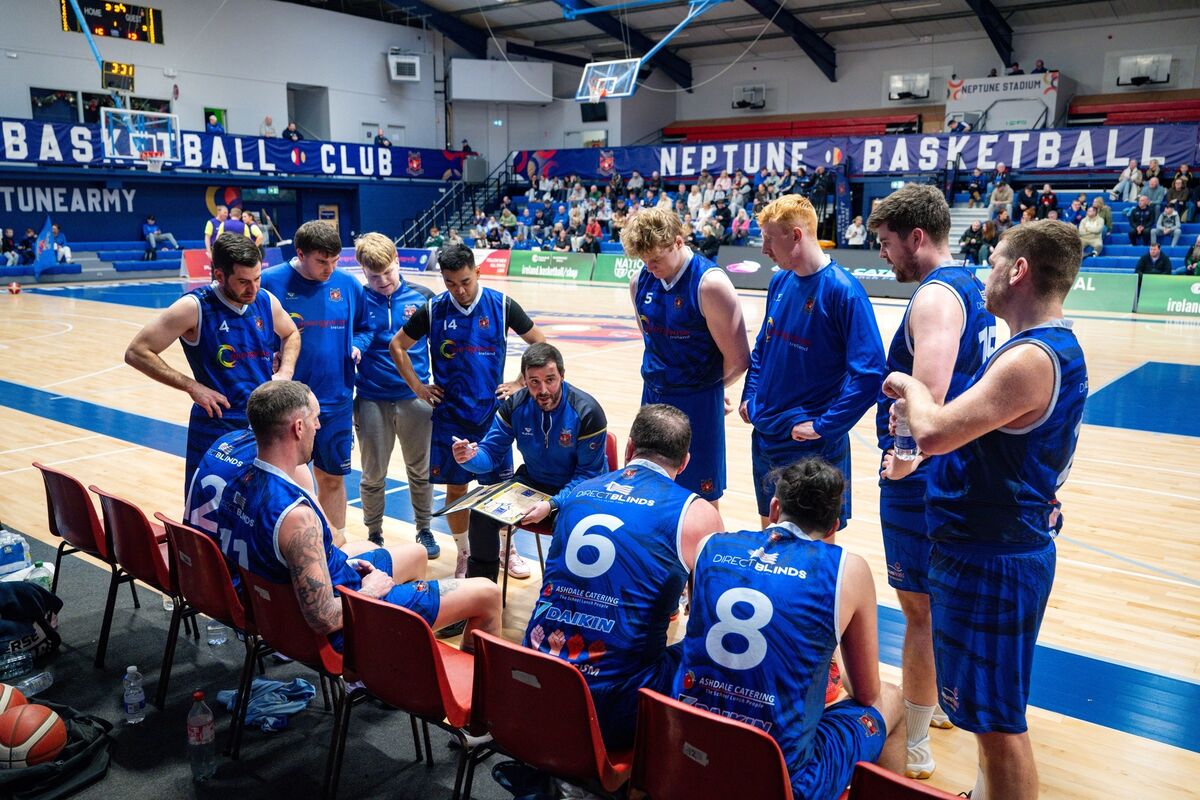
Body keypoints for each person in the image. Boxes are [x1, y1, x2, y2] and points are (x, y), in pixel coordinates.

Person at [883, 219, 1088, 800]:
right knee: (986, 714)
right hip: (990, 546)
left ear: (1019, 271)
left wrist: (913, 388)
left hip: (995, 558)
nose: (986, 271)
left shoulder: (1031, 359)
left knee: (1000, 726)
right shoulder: (1038, 349)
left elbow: (934, 434)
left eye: (995, 260)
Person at [673, 459, 906, 797]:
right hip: (778, 780)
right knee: (892, 699)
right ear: (833, 527)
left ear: (774, 507)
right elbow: (866, 694)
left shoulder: (711, 544)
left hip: (689, 750)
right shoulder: (848, 568)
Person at [868, 184, 997, 781]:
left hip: (926, 478)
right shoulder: (971, 282)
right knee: (938, 605)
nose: (884, 255)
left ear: (916, 237)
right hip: (959, 470)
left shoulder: (935, 297)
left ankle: (914, 741)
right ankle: (941, 704)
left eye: (887, 243)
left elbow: (930, 397)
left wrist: (901, 459)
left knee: (918, 613)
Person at [218, 380, 501, 652]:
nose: (319, 426)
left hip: (279, 614)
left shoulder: (237, 482)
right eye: (315, 419)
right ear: (298, 427)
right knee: (487, 593)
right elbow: (324, 618)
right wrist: (371, 591)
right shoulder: (296, 517)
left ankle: (404, 659)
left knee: (416, 553)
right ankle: (452, 688)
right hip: (345, 621)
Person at [523, 404, 724, 748]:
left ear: (629, 448)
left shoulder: (577, 495)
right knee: (712, 657)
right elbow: (708, 622)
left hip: (533, 683)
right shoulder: (698, 514)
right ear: (685, 461)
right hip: (613, 708)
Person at [388, 244, 545, 580]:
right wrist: (418, 387)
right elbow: (397, 345)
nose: (459, 289)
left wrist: (519, 382)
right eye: (450, 283)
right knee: (457, 490)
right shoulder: (432, 310)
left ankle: (506, 549)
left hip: (493, 418)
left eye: (464, 281)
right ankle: (464, 553)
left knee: (500, 491)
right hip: (450, 416)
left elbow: (541, 345)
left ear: (477, 273)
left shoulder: (501, 305)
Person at [742, 194, 885, 530]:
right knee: (771, 529)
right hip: (766, 434)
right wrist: (751, 394)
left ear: (795, 235)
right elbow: (763, 346)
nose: (764, 250)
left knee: (815, 540)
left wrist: (825, 426)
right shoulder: (779, 281)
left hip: (810, 445)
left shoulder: (843, 291)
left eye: (768, 239)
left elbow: (870, 374)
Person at [124, 234, 299, 492]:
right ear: (219, 274)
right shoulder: (193, 307)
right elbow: (137, 352)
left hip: (263, 425)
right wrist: (192, 386)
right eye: (243, 282)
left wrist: (285, 372)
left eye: (257, 279)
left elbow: (292, 333)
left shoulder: (265, 301)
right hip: (216, 424)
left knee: (259, 508)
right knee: (207, 509)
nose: (252, 289)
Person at [621, 207, 750, 506]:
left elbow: (739, 358)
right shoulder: (639, 282)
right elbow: (651, 341)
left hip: (696, 401)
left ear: (678, 242)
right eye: (644, 260)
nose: (649, 266)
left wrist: (712, 390)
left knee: (700, 495)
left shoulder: (710, 284)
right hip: (652, 395)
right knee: (647, 487)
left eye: (655, 258)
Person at [452, 343, 607, 585]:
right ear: (524, 380)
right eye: (534, 382)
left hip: (578, 490)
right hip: (533, 482)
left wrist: (552, 504)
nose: (543, 389)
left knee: (569, 524)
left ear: (562, 376)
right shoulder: (515, 406)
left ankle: (562, 598)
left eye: (550, 380)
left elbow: (588, 476)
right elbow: (490, 456)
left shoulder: (587, 411)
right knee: (481, 515)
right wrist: (470, 459)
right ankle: (481, 595)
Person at [261, 221, 366, 546]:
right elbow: (255, 333)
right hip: (285, 406)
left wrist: (358, 343)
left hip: (336, 401)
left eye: (335, 261)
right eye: (322, 262)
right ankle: (284, 544)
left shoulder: (348, 285)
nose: (330, 269)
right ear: (300, 253)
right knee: (285, 478)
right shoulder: (270, 282)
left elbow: (364, 327)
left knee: (332, 479)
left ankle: (337, 547)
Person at [350, 233, 438, 555]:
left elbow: (441, 348)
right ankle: (374, 534)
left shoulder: (423, 296)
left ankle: (425, 529)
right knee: (373, 474)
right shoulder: (356, 300)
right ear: (363, 271)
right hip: (372, 399)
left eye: (389, 272)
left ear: (398, 261)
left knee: (421, 471)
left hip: (416, 399)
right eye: (375, 276)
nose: (384, 281)